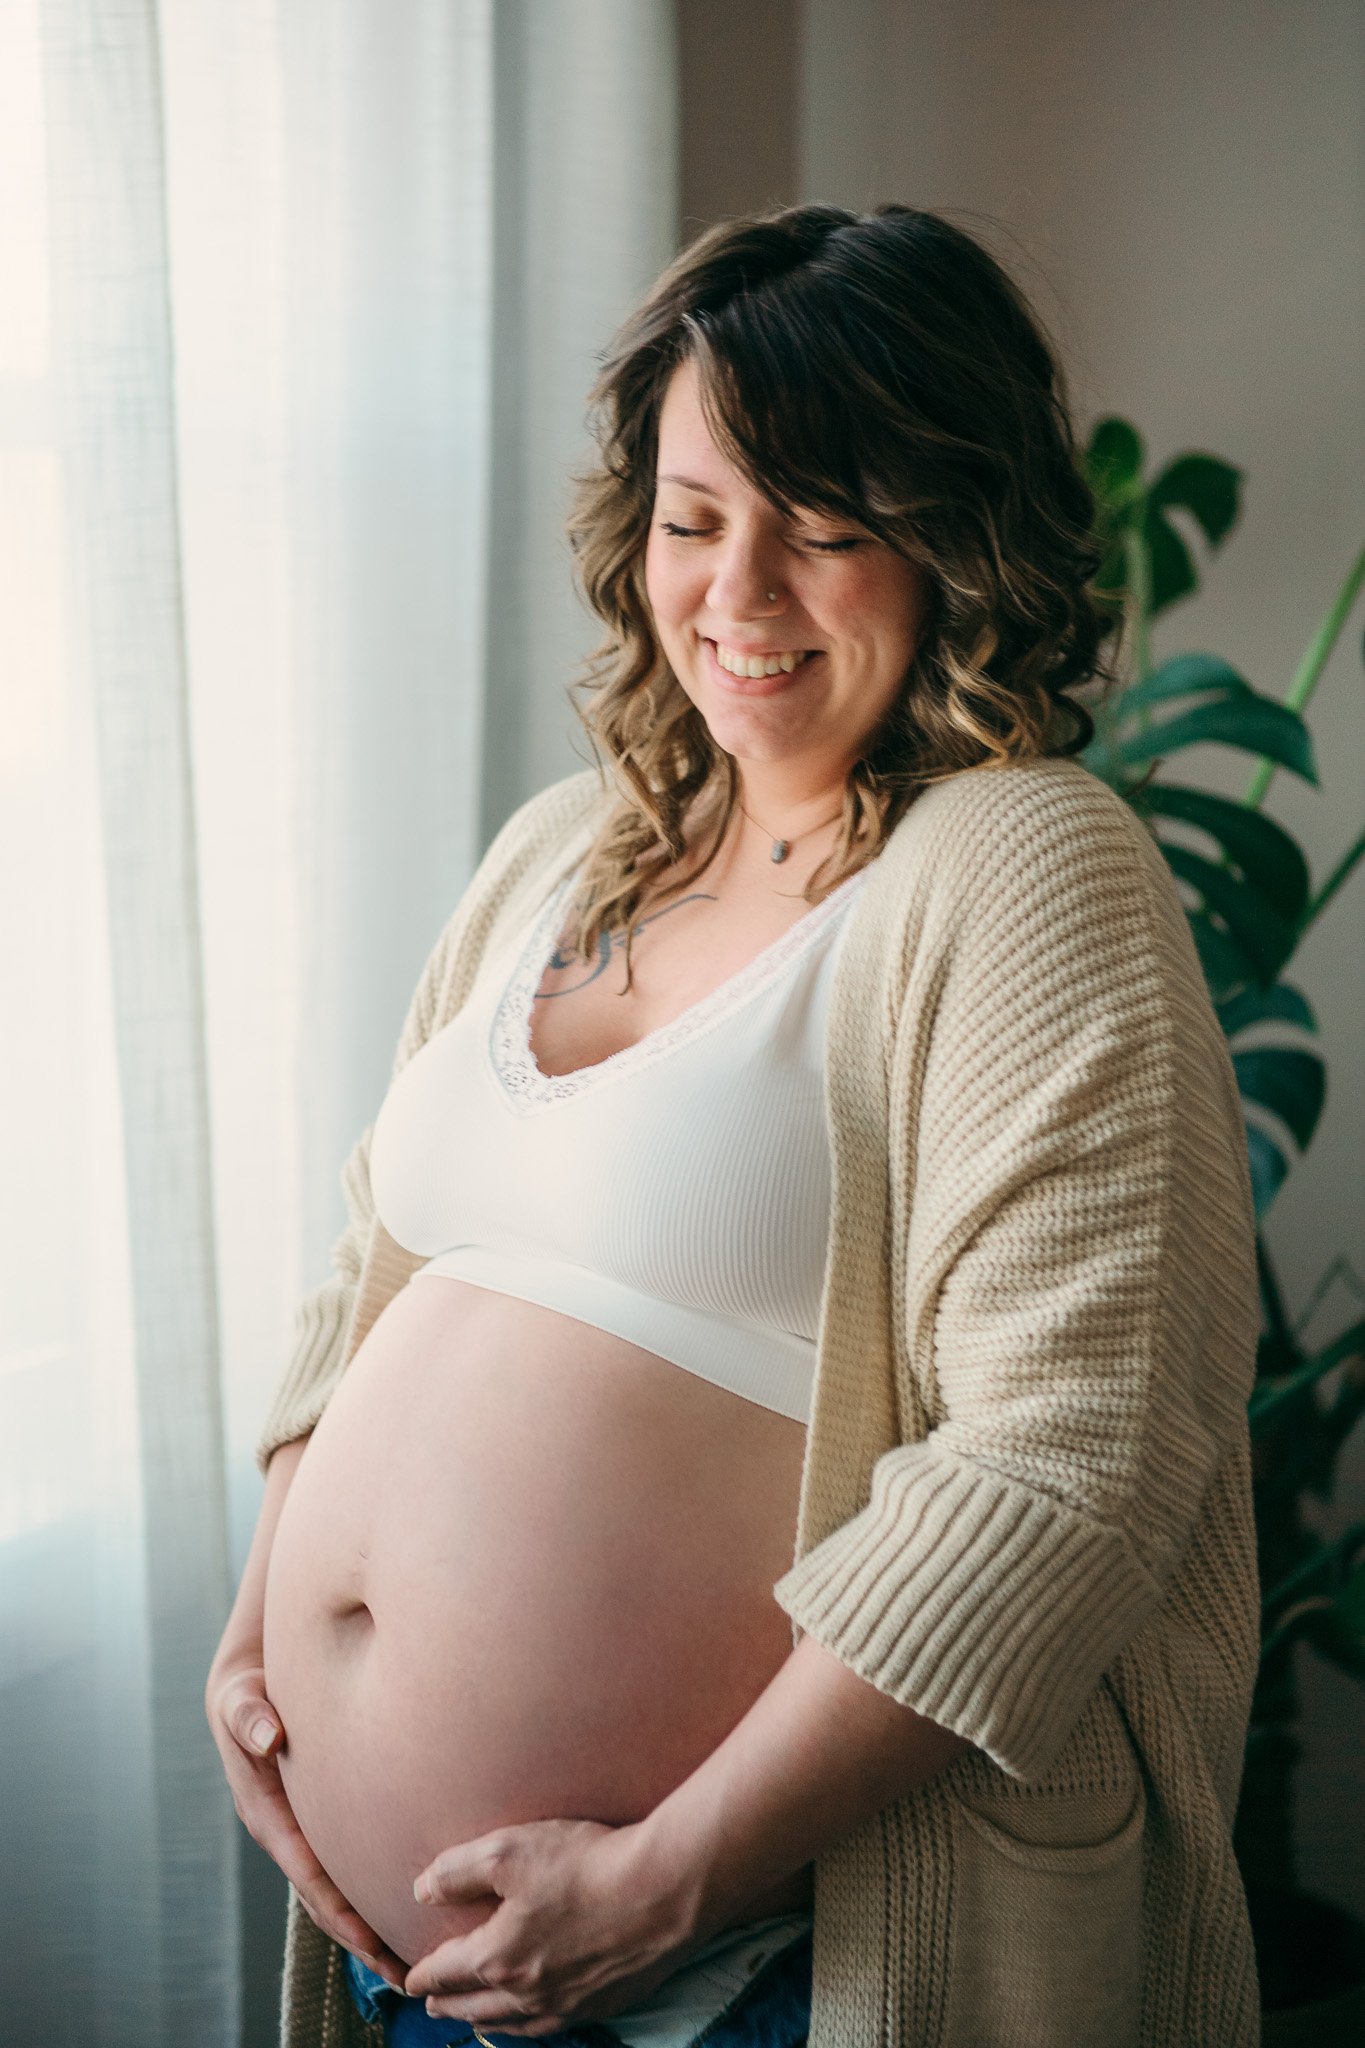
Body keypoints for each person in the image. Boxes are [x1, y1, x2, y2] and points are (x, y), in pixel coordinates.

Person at [205, 202, 1263, 2048]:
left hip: (748, 1971)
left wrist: (664, 1879)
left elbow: (1068, 1456)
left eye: (824, 529)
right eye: (695, 521)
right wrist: (259, 1643)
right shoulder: (563, 844)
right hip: (420, 1971)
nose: (740, 594)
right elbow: (367, 1271)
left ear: (955, 540)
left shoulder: (1019, 865)